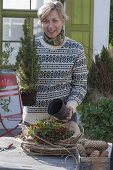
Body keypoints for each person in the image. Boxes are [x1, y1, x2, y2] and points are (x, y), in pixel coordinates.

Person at [23, 0, 88, 137]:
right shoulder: (31, 48)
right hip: (33, 121)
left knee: (63, 157)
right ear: (41, 23)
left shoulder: (76, 49)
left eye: (55, 20)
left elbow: (80, 85)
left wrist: (70, 105)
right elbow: (23, 81)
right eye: (45, 21)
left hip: (64, 118)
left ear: (63, 21)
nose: (50, 26)